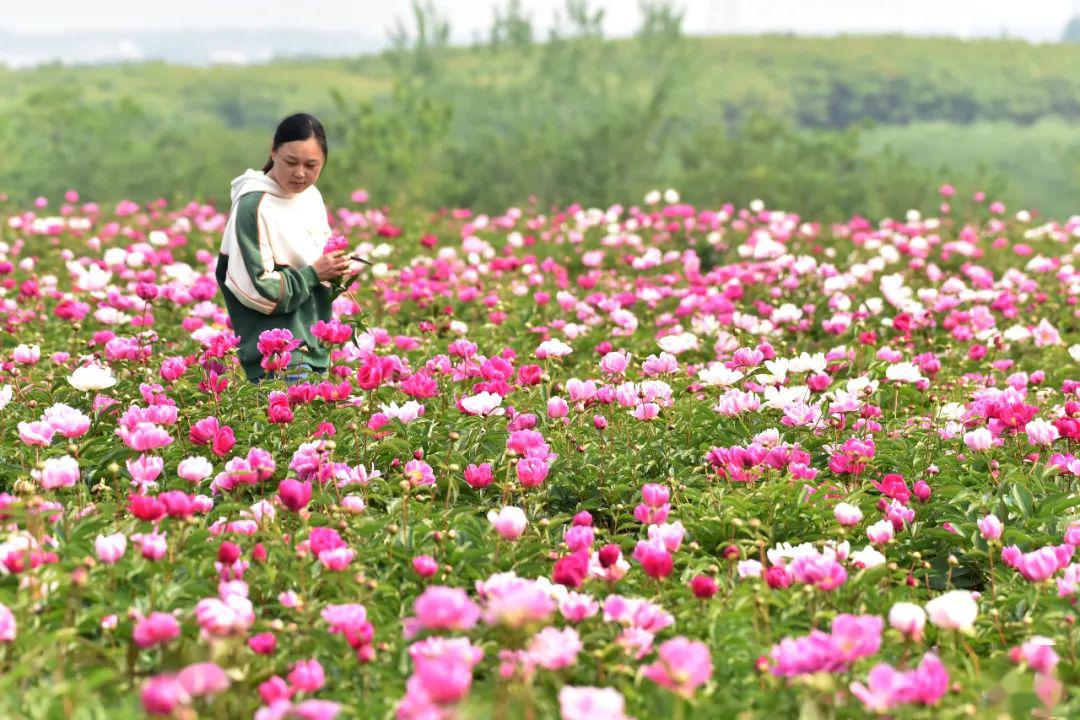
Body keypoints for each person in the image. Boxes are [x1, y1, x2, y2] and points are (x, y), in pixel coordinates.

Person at [215, 113, 352, 383]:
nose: (300, 173)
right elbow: (258, 288)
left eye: (311, 165)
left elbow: (315, 267)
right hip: (277, 360)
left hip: (314, 350)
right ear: (274, 152)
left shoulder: (310, 197)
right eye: (291, 162)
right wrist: (314, 274)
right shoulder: (254, 206)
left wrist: (334, 269)